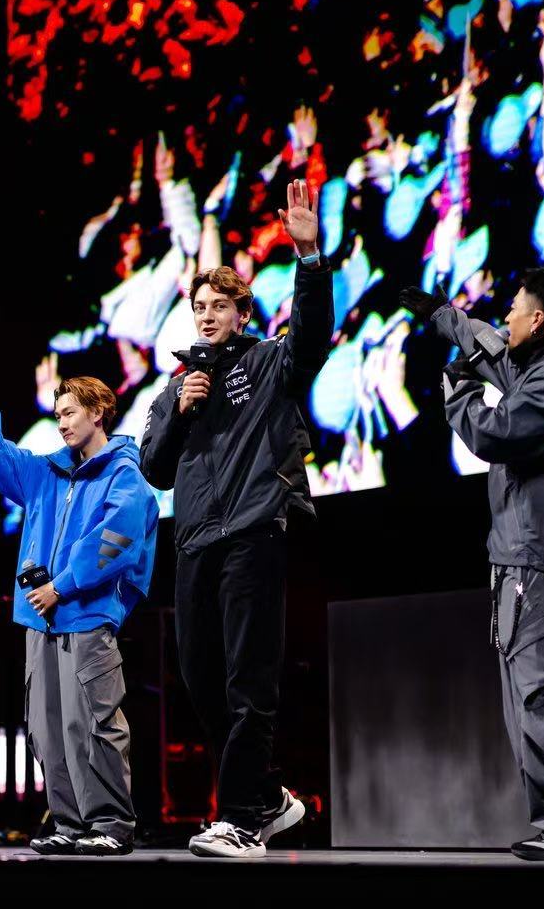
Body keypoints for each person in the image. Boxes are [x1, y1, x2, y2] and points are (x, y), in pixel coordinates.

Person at [140, 179, 332, 859]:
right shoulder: (177, 385)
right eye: (199, 306)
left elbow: (312, 337)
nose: (206, 315)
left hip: (254, 532)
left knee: (247, 678)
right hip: (195, 542)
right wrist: (180, 410)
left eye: (219, 305)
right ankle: (268, 795)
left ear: (243, 313)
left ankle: (243, 820)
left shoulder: (267, 362)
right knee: (200, 678)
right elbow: (154, 468)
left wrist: (308, 258)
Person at [400, 268, 544, 861]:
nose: (506, 318)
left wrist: (458, 390)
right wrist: (443, 316)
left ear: (538, 321)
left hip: (537, 560)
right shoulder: (543, 366)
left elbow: (497, 431)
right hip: (519, 559)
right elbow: (492, 350)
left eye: (515, 309)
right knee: (527, 701)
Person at [0, 344, 159, 856]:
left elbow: (117, 539)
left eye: (69, 413)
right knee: (47, 730)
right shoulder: (45, 473)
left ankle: (110, 824)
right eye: (58, 413)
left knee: (92, 724)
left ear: (98, 412)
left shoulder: (124, 475)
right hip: (40, 622)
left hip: (85, 617)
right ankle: (70, 823)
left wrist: (61, 585)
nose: (61, 422)